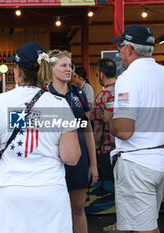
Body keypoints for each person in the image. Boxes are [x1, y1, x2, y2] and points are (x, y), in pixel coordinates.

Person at [0, 42, 81, 233]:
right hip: (50, 190)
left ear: (16, 70)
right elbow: (71, 157)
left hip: (11, 190)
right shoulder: (59, 105)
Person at [106, 25, 164, 233]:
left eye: (121, 47)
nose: (119, 52)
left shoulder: (128, 78)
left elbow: (123, 130)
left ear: (129, 50)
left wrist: (108, 120)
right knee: (140, 224)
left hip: (139, 163)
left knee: (144, 229)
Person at [47, 50, 98, 233]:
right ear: (52, 69)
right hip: (51, 161)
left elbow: (87, 129)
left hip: (78, 159)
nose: (69, 69)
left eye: (70, 65)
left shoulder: (79, 94)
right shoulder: (42, 96)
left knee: (77, 208)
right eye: (63, 65)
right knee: (52, 211)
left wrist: (93, 164)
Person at [91, 58, 117, 232]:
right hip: (129, 148)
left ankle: (121, 222)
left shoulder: (102, 96)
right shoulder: (127, 91)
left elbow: (98, 125)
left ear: (101, 75)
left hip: (108, 149)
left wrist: (95, 146)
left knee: (116, 188)